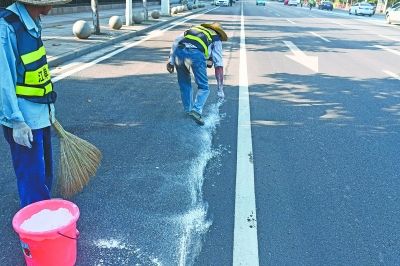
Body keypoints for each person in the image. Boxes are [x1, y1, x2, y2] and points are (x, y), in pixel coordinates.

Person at [0, 0, 70, 208]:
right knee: (32, 180)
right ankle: (34, 233)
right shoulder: (7, 28)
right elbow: (4, 81)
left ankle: (43, 217)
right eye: (48, 3)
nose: (51, 7)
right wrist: (16, 122)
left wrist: (49, 109)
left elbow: (37, 71)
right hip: (24, 120)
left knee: (43, 174)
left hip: (40, 114)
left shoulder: (32, 21)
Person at [167, 22, 228, 126]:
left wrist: (171, 61)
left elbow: (177, 41)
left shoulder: (195, 29)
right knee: (204, 87)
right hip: (195, 55)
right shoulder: (216, 38)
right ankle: (196, 111)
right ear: (219, 33)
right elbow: (218, 65)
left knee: (184, 84)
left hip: (179, 52)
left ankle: (188, 110)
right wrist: (220, 89)